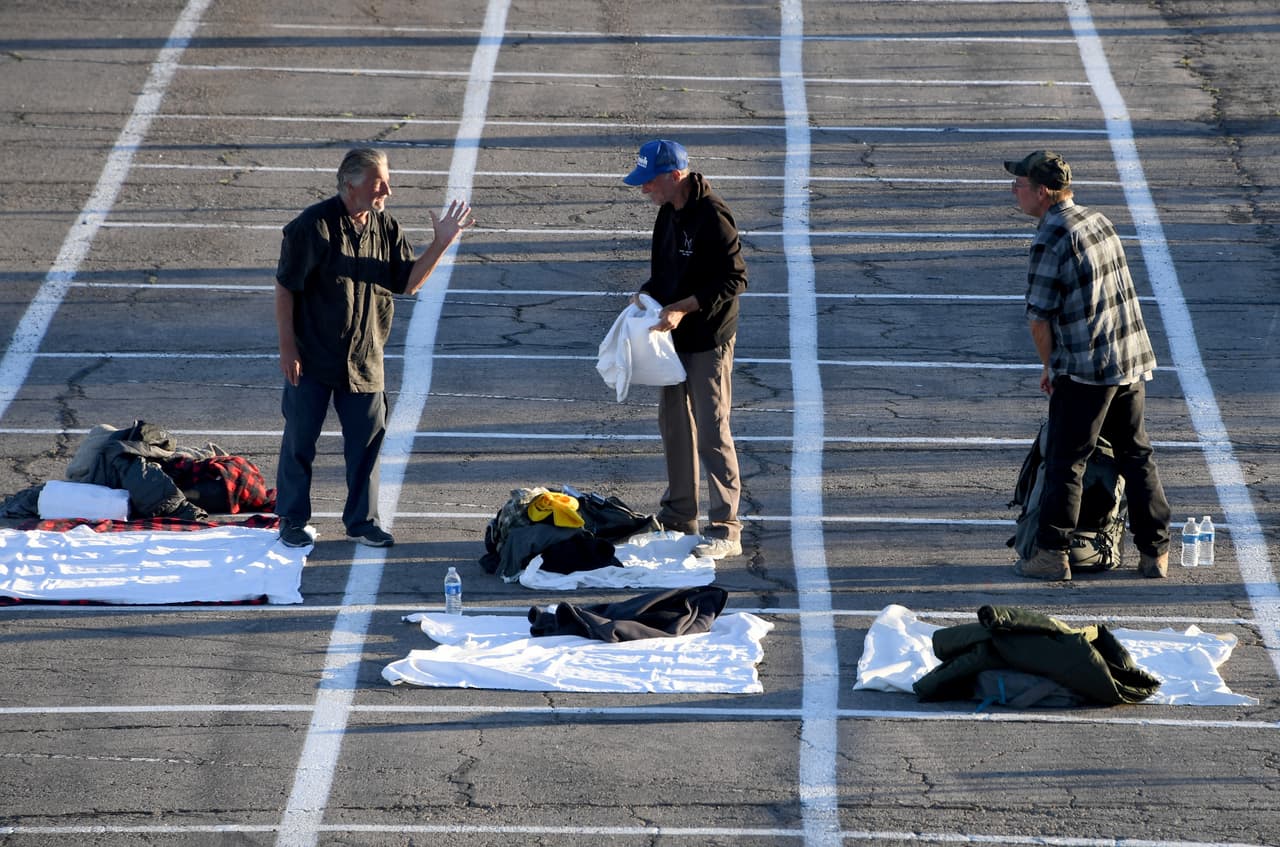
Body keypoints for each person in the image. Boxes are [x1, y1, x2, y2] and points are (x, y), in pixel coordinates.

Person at [274, 147, 474, 548]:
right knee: (300, 439)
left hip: (365, 359)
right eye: (378, 181)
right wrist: (288, 349)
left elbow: (408, 282)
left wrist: (441, 244)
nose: (387, 189)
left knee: (366, 443)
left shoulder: (386, 228)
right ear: (350, 184)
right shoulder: (312, 227)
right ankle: (292, 520)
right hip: (312, 356)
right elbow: (285, 286)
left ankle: (362, 522)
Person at [1005, 150, 1172, 580]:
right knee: (1136, 454)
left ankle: (1052, 554)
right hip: (1129, 358)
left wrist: (1050, 367)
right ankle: (1155, 551)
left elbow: (1038, 317)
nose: (1014, 191)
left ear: (1042, 192)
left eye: (1020, 184)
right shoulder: (1098, 220)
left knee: (1066, 460)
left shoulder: (1051, 238)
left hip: (1087, 368)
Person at [623, 139, 748, 560]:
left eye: (649, 181)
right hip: (672, 338)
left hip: (707, 338)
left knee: (712, 430)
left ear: (675, 176)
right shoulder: (667, 212)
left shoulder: (714, 215)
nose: (644, 190)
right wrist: (644, 296)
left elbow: (734, 279)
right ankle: (680, 515)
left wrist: (683, 309)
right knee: (674, 424)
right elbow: (663, 274)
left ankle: (726, 528)